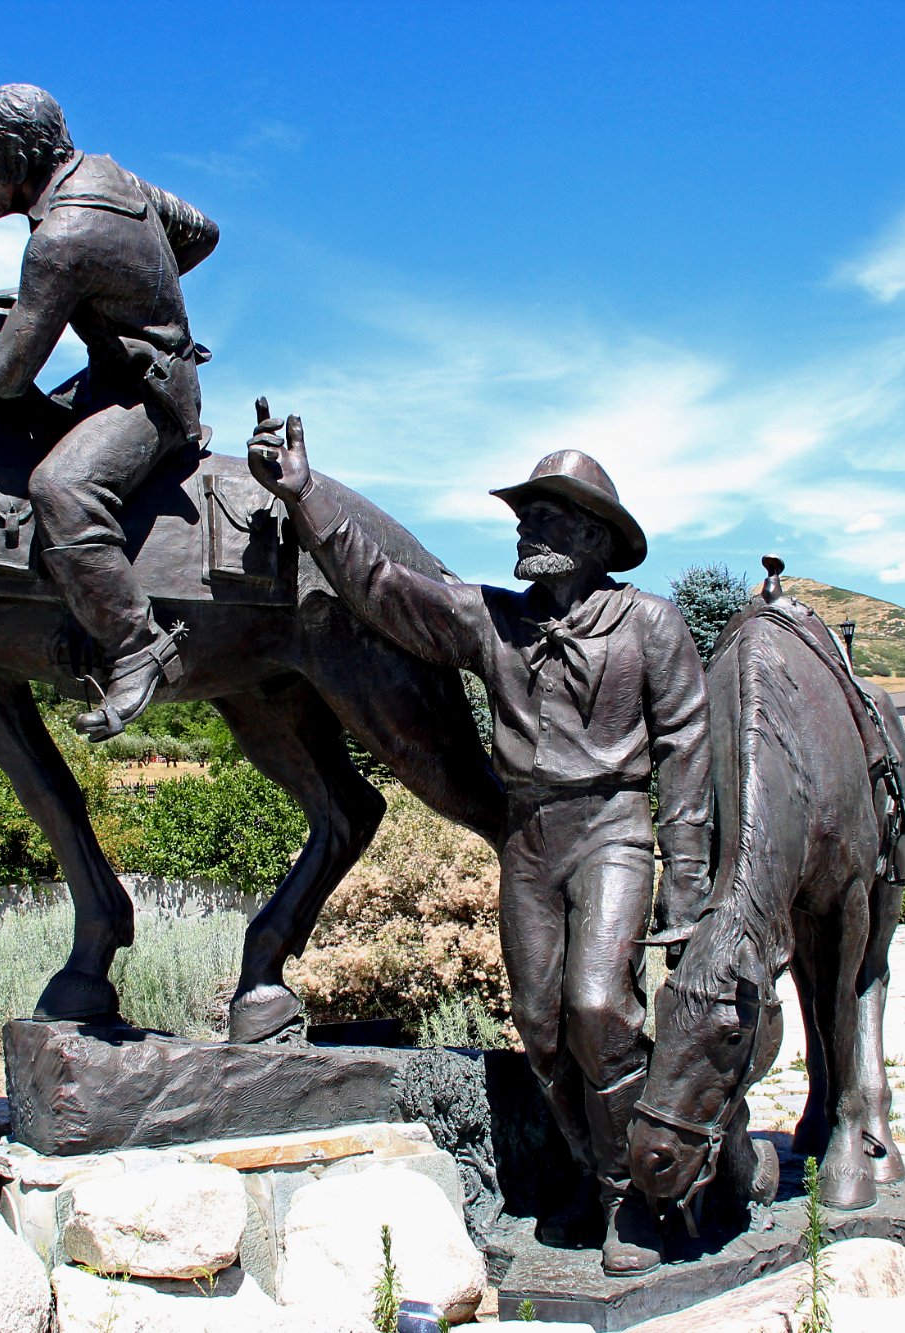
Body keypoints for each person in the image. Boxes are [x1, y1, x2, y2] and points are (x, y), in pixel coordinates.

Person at [248, 405, 712, 1275]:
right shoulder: (490, 619)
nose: (525, 526)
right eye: (523, 514)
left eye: (546, 513)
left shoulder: (651, 624)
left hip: (614, 827)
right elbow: (381, 586)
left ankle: (631, 1196)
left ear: (596, 536)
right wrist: (304, 494)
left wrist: (686, 883)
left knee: (599, 1008)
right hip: (529, 837)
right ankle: (588, 1171)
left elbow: (687, 747)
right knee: (540, 1026)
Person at [0, 83, 220, 739]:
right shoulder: (113, 179)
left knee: (60, 485)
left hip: (151, 399)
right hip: (120, 376)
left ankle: (137, 646)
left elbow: (9, 375)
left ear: (15, 158)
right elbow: (202, 232)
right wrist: (129, 286)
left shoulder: (61, 238)